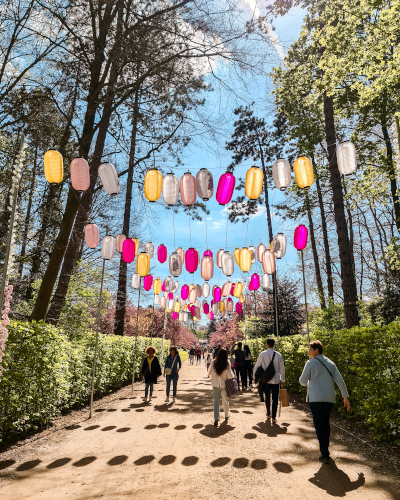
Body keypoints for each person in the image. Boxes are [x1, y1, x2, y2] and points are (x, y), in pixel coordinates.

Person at [299, 340, 350, 464]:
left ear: (317, 350)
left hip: (315, 399)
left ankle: (324, 453)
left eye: (310, 349)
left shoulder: (310, 363)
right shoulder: (330, 363)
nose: (308, 351)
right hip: (329, 398)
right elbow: (340, 380)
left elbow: (302, 381)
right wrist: (345, 397)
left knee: (319, 425)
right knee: (325, 423)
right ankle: (325, 450)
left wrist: (310, 379)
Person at [252, 338, 285, 423]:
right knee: (275, 398)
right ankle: (274, 416)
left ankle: (268, 412)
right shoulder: (278, 355)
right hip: (276, 380)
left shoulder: (262, 354)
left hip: (265, 380)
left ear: (267, 344)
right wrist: (283, 379)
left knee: (267, 396)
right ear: (274, 345)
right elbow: (282, 368)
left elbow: (257, 366)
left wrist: (254, 378)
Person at [207, 348, 234, 426]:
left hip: (215, 384)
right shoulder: (227, 364)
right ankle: (226, 415)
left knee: (216, 402)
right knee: (225, 401)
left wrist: (214, 377)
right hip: (224, 385)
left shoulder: (213, 362)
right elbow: (229, 376)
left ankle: (216, 419)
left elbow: (209, 373)